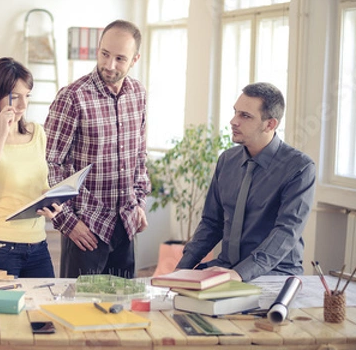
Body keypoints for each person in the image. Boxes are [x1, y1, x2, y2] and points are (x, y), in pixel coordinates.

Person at [176, 82, 316, 282]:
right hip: (226, 267)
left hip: (274, 273)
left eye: (245, 116)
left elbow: (286, 232)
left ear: (270, 124)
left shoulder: (300, 168)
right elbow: (211, 223)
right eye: (235, 112)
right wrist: (181, 270)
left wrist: (240, 274)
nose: (233, 121)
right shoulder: (227, 160)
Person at [43, 20, 150, 279]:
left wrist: (139, 203)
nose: (109, 65)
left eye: (120, 58)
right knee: (77, 311)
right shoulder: (72, 97)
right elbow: (48, 164)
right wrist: (68, 223)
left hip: (126, 225)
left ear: (134, 59)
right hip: (86, 229)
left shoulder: (139, 94)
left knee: (123, 312)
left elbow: (139, 156)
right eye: (104, 54)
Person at [0, 57, 62, 278]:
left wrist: (52, 199)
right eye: (15, 97)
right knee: (3, 311)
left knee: (42, 309)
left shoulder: (37, 133)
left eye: (27, 96)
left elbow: (41, 184)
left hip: (37, 245)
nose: (23, 105)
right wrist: (1, 136)